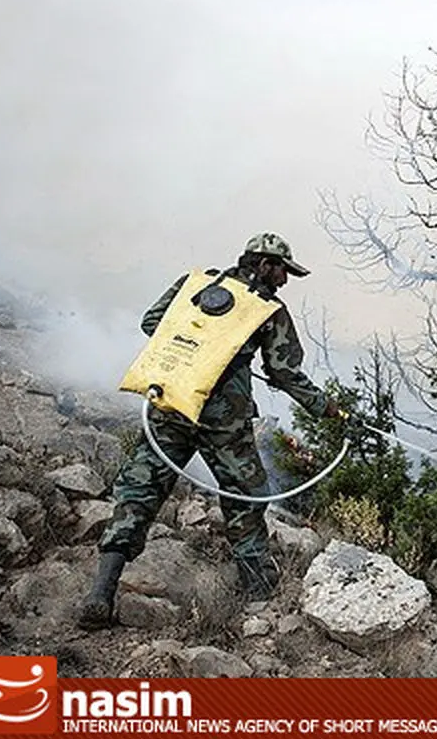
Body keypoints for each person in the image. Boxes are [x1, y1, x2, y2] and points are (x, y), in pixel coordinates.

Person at [77, 232, 345, 630]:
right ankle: (257, 592)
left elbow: (152, 322)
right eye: (283, 271)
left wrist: (202, 351)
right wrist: (329, 409)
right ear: (264, 264)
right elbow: (285, 371)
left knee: (140, 491)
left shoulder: (198, 283)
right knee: (245, 496)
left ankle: (102, 591)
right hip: (225, 422)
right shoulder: (267, 308)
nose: (285, 280)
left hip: (172, 403)